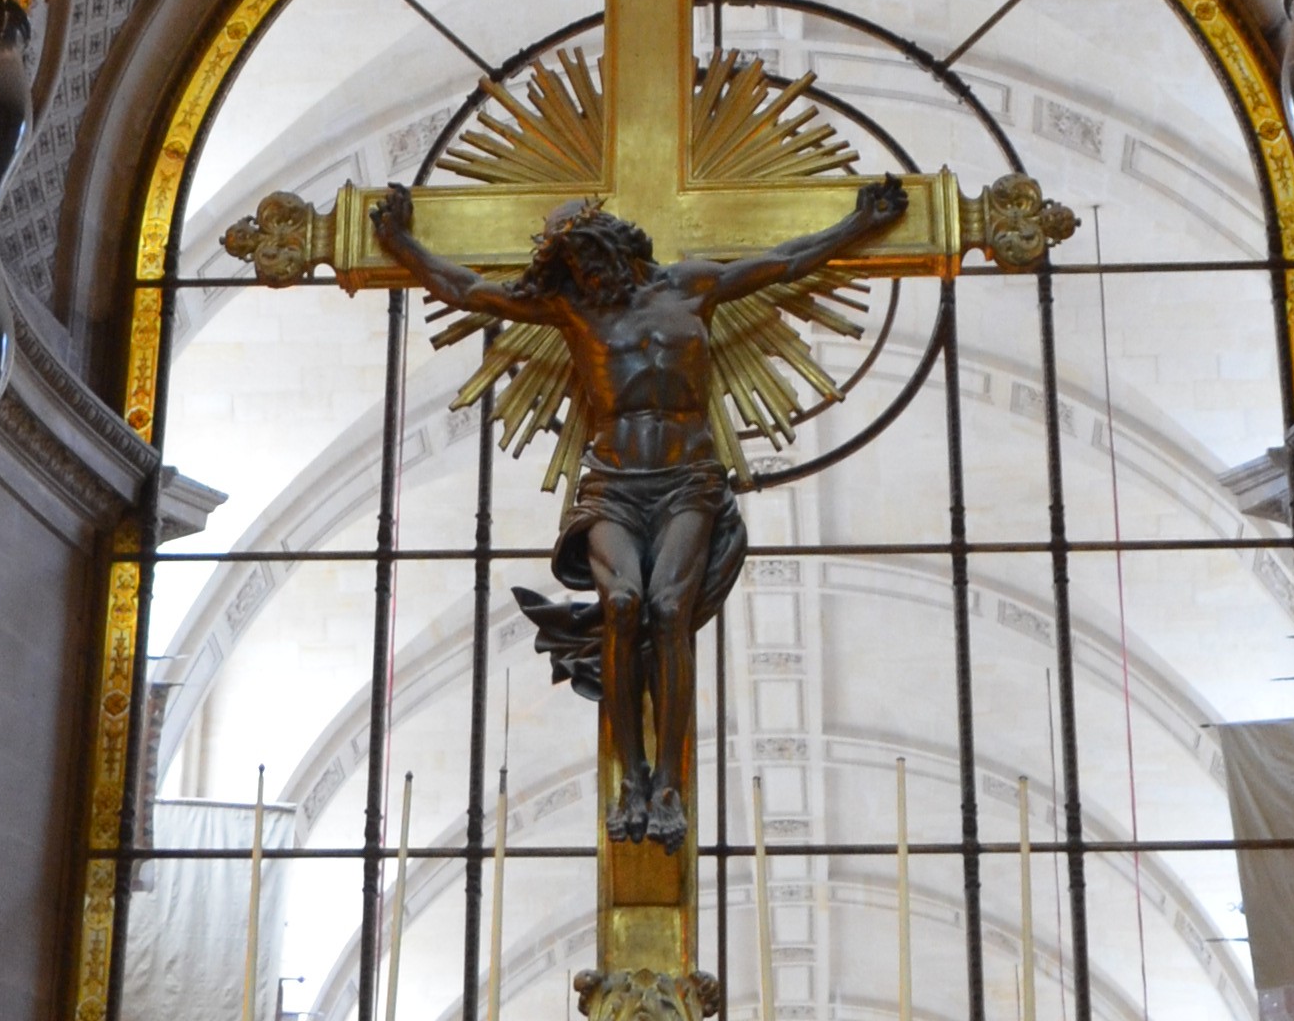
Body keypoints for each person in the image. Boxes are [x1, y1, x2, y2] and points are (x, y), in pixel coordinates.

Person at [370, 173, 910, 850]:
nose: (580, 275)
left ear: (612, 246)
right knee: (622, 603)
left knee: (667, 607)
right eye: (566, 265)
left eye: (582, 258)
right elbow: (467, 290)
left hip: (687, 481)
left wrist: (859, 225)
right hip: (614, 486)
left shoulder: (691, 287)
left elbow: (785, 262)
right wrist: (402, 244)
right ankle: (631, 778)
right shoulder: (570, 308)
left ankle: (669, 786)